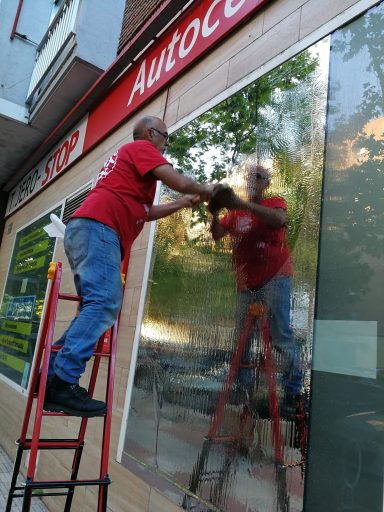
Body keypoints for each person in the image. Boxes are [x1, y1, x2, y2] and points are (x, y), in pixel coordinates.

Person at [44, 115, 215, 417]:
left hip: (88, 228)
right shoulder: (140, 148)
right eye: (166, 137)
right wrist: (206, 189)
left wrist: (181, 203)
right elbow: (176, 180)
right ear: (150, 134)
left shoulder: (126, 167)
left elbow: (143, 211)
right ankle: (62, 383)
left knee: (94, 306)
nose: (166, 144)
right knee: (105, 302)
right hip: (100, 228)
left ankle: (51, 378)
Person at [210, 163, 302, 417]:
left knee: (280, 335)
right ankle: (244, 389)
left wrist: (243, 205)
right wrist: (214, 212)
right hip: (247, 284)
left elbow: (279, 219)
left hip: (275, 279)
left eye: (259, 177)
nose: (253, 180)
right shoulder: (234, 214)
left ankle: (292, 393)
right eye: (250, 176)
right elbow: (218, 234)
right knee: (242, 339)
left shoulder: (274, 202)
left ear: (267, 183)